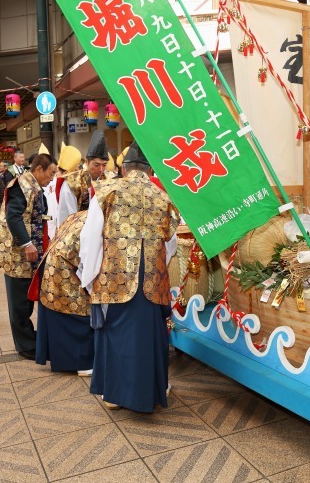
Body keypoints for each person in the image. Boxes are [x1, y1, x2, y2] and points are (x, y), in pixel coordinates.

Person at [85, 142, 179, 412]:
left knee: (117, 333)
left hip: (116, 274)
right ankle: (151, 391)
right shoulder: (163, 196)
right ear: (150, 170)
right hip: (152, 277)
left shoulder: (106, 190)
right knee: (149, 334)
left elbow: (91, 236)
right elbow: (169, 243)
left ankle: (117, 395)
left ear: (124, 168)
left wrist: (90, 275)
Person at [0, 153, 57, 360]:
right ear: (39, 169)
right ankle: (25, 345)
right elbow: (13, 216)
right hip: (18, 253)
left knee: (27, 297)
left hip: (30, 252)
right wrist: (27, 243)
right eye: (51, 173)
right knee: (19, 301)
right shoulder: (21, 185)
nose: (53, 178)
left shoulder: (34, 185)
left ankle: (29, 337)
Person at [35, 210, 94, 373]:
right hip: (67, 270)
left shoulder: (82, 214)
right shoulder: (97, 222)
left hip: (55, 266)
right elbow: (90, 260)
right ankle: (82, 363)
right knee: (80, 309)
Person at [57, 131, 108, 225]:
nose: (101, 169)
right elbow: (67, 217)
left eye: (104, 165)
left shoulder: (108, 181)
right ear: (87, 161)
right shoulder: (72, 183)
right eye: (96, 165)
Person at [49, 143, 82, 234]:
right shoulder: (63, 184)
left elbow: (72, 212)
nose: (56, 174)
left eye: (58, 171)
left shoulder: (68, 185)